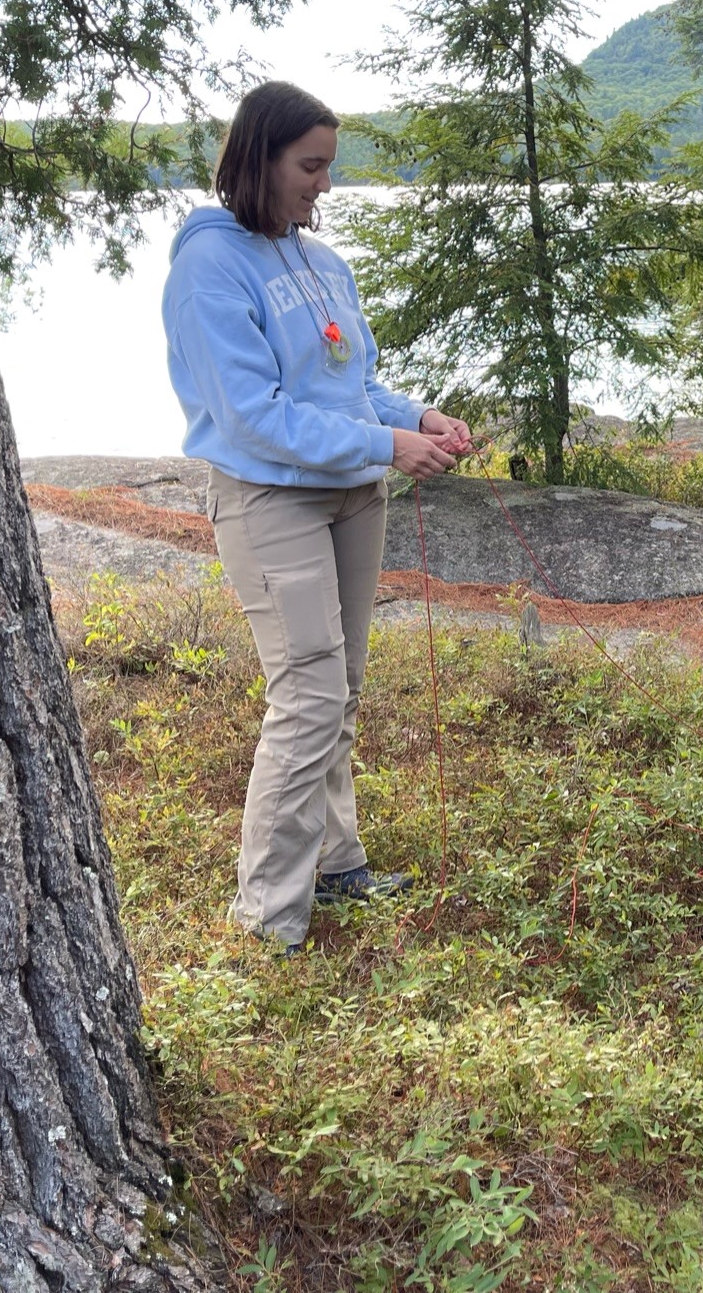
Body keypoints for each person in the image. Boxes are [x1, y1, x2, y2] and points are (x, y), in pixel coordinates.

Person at [163, 81, 472, 948]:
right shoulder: (208, 266)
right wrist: (383, 447)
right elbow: (252, 414)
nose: (323, 186)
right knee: (305, 694)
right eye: (310, 167)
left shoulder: (320, 262)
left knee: (342, 690)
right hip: (270, 499)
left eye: (328, 167)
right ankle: (266, 917)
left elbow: (355, 382)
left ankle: (338, 864)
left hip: (350, 494)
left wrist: (415, 419)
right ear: (256, 159)